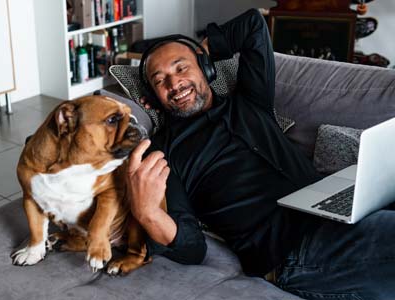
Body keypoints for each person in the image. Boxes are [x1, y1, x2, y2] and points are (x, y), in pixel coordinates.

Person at [126, 9, 395, 300]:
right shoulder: (164, 152)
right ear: (153, 96)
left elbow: (253, 25)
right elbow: (192, 248)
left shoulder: (250, 101)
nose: (174, 84)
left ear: (205, 68)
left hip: (336, 212)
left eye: (181, 68)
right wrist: (148, 213)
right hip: (293, 252)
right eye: (159, 80)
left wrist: (204, 51)